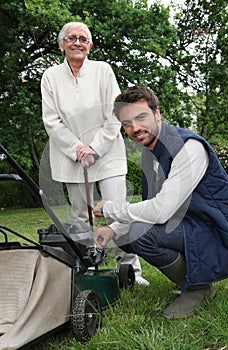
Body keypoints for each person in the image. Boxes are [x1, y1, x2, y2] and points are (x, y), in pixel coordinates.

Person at [94, 85, 228, 318]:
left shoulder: (188, 147)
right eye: (127, 123)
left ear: (157, 113)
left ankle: (199, 287)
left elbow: (160, 211)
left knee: (140, 232)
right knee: (129, 234)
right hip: (188, 224)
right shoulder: (152, 153)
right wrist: (113, 229)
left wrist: (110, 209)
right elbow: (151, 205)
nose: (134, 128)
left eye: (141, 117)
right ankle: (193, 280)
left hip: (217, 229)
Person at [41, 22, 149, 285]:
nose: (77, 43)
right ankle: (88, 267)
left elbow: (114, 113)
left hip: (108, 153)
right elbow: (51, 120)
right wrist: (77, 149)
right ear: (61, 44)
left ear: (90, 45)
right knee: (80, 215)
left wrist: (95, 148)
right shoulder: (50, 76)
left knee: (117, 211)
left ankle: (130, 270)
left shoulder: (103, 70)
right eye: (71, 38)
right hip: (71, 158)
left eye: (83, 39)